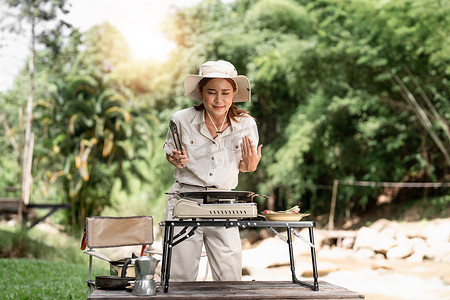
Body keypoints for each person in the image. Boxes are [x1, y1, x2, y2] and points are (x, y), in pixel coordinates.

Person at [163, 60, 262, 281]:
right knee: (178, 277)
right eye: (212, 92)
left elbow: (246, 166)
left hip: (224, 204)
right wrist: (174, 159)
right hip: (185, 202)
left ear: (234, 93)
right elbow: (171, 153)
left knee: (229, 277)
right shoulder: (181, 119)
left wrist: (251, 165)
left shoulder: (246, 124)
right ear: (201, 92)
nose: (219, 100)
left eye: (226, 93)